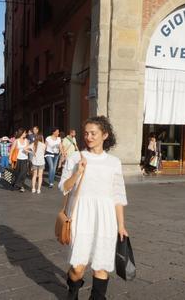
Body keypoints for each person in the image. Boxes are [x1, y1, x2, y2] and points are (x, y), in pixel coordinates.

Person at [58, 116, 128, 299]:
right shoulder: (75, 157)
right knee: (77, 268)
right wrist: (77, 172)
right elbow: (63, 188)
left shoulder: (114, 162)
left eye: (93, 133)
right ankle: (72, 289)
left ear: (104, 135)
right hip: (81, 216)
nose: (88, 137)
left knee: (101, 266)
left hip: (106, 218)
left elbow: (118, 195)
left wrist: (121, 225)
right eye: (86, 133)